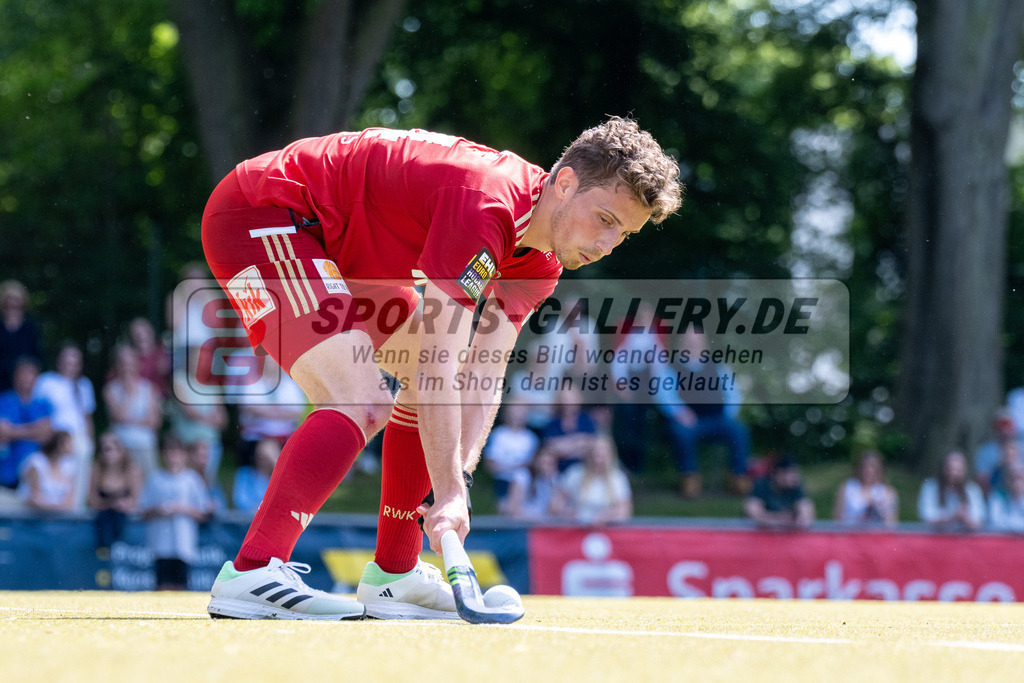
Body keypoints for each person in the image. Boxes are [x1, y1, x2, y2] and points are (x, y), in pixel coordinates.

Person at [197, 118, 681, 619]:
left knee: (414, 393)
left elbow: (481, 376)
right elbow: (437, 369)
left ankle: (395, 576)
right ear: (565, 183)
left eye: (624, 233)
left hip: (347, 256)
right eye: (604, 219)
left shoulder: (540, 261)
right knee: (360, 399)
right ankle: (253, 570)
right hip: (261, 216)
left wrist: (458, 485)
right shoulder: (485, 204)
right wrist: (445, 490)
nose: (607, 244)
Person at [658, 330, 751, 499]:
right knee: (681, 432)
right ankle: (689, 478)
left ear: (704, 345)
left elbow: (734, 393)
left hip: (718, 419)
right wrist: (680, 412)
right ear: (681, 345)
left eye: (697, 342)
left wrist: (728, 413)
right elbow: (664, 395)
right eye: (689, 342)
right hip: (689, 422)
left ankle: (738, 477)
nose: (693, 346)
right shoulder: (671, 368)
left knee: (739, 430)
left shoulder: (718, 367)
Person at [138, 436, 213, 590]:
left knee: (181, 587)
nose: (173, 457)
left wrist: (182, 509)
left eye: (176, 452)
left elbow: (203, 512)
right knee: (162, 586)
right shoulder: (155, 480)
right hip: (160, 544)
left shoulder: (192, 480)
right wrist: (158, 510)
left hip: (183, 544)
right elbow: (143, 512)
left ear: (184, 454)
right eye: (169, 452)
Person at [33, 342, 97, 510]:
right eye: (67, 361)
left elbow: (87, 417)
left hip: (79, 437)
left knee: (80, 470)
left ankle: (76, 507)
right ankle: (55, 506)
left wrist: (92, 441)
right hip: (56, 436)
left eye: (75, 362)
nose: (71, 366)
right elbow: (39, 412)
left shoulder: (84, 385)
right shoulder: (46, 381)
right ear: (59, 361)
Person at [103, 344, 162, 478]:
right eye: (123, 363)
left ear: (137, 364)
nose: (126, 367)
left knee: (149, 481)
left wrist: (127, 420)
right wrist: (128, 393)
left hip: (145, 444)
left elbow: (154, 421)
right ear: (117, 365)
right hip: (121, 445)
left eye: (130, 363)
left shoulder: (149, 388)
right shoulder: (110, 389)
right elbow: (118, 416)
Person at [0, 356, 53, 495]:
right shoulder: (4, 400)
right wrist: (34, 429)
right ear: (15, 376)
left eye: (31, 374)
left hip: (35, 476)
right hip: (6, 470)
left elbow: (46, 435)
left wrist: (14, 431)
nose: (26, 378)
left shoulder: (43, 404)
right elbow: (2, 432)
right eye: (22, 373)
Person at [551, 436, 633, 525]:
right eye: (596, 452)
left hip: (607, 532)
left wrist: (607, 517)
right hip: (575, 529)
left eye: (602, 453)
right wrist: (567, 512)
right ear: (589, 454)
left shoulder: (618, 478)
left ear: (610, 455)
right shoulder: (575, 474)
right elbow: (555, 504)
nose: (598, 457)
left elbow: (625, 511)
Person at [87, 432, 143, 552]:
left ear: (121, 451)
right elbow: (92, 499)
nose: (107, 454)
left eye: (110, 450)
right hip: (103, 520)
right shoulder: (96, 469)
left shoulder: (132, 470)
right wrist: (110, 504)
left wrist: (125, 504)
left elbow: (137, 499)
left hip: (125, 520)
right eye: (104, 450)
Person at [483, 403, 539, 508]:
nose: (517, 416)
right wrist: (512, 468)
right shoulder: (498, 435)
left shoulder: (531, 438)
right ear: (507, 414)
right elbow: (489, 463)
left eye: (521, 412)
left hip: (525, 482)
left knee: (521, 475)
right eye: (514, 412)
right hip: (501, 480)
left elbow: (533, 464)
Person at [917, 450, 986, 532]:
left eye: (958, 470)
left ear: (965, 471)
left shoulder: (972, 490)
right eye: (950, 469)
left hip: (964, 540)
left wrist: (965, 519)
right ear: (943, 468)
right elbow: (926, 518)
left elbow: (979, 522)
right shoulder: (930, 487)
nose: (954, 474)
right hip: (935, 538)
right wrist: (952, 517)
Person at [744, 454, 815, 530]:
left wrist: (800, 520)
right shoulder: (761, 485)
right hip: (758, 534)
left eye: (795, 473)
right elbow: (753, 512)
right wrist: (781, 519)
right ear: (776, 473)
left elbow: (806, 512)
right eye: (789, 473)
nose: (793, 477)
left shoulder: (796, 487)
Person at [831, 450, 898, 527]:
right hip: (850, 534)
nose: (869, 471)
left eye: (873, 467)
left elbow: (892, 525)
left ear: (880, 470)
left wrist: (878, 509)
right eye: (865, 467)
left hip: (877, 535)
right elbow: (836, 519)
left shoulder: (888, 492)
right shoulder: (847, 487)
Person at [17, 430, 77, 512]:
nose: (73, 446)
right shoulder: (36, 462)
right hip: (32, 516)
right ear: (59, 444)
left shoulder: (68, 465)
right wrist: (57, 508)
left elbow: (70, 499)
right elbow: (34, 497)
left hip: (59, 517)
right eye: (69, 443)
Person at [0, 280, 41, 393]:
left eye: (16, 302)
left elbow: (37, 356)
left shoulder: (30, 328)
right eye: (9, 302)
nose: (12, 305)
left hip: (25, 387)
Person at [232, 438, 281, 514]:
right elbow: (240, 501)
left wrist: (277, 466)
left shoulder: (280, 479)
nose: (264, 462)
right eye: (261, 457)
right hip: (248, 521)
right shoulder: (245, 474)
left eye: (267, 459)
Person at [988, 462, 1024, 533]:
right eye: (1013, 478)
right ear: (1007, 480)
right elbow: (995, 523)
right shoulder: (997, 496)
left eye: (1020, 478)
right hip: (1003, 540)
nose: (1016, 483)